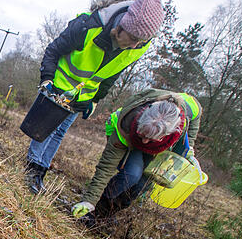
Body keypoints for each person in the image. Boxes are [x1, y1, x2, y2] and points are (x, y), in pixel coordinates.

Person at [25, 0, 166, 194]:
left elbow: (112, 74)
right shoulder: (88, 26)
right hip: (58, 87)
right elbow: (53, 51)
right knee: (46, 128)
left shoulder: (139, 46)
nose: (135, 45)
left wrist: (95, 100)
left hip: (83, 96)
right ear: (122, 25)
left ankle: (40, 171)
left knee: (59, 133)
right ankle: (31, 169)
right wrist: (47, 79)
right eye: (134, 38)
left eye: (141, 41)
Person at [71, 88, 202, 221]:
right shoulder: (126, 124)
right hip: (131, 138)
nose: (145, 141)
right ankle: (96, 210)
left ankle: (108, 214)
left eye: (150, 139)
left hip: (159, 149)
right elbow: (106, 168)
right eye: (143, 136)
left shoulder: (187, 112)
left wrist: (189, 146)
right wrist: (89, 201)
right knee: (131, 174)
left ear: (168, 134)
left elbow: (197, 113)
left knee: (141, 185)